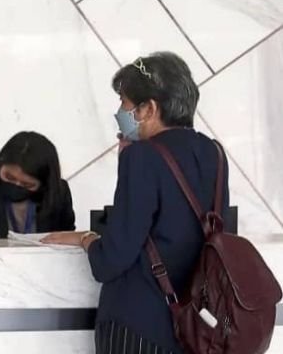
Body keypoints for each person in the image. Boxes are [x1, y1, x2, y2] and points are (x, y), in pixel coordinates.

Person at [44, 52, 229, 354]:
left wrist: (86, 239)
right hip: (196, 328)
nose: (120, 111)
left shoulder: (142, 156)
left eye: (124, 102)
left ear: (149, 109)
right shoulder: (214, 153)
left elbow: (111, 260)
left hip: (140, 328)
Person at [0, 131, 75, 239]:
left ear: (44, 183)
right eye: (9, 177)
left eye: (27, 184)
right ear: (0, 163)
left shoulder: (59, 194)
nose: (16, 185)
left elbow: (68, 241)